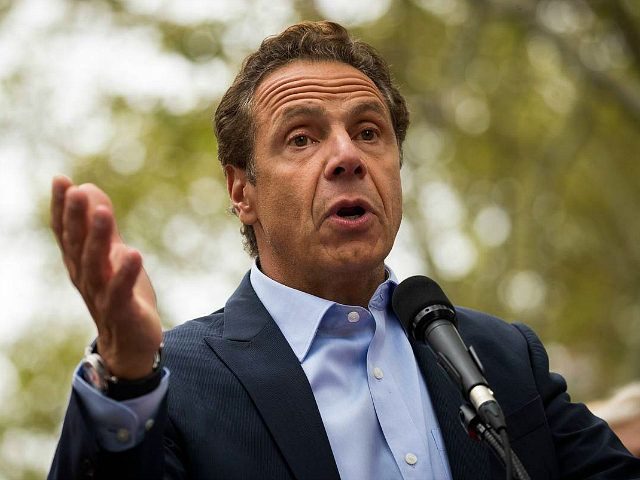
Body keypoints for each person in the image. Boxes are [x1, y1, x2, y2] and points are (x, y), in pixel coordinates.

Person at [48, 21, 640, 480]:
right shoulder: (174, 382)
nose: (347, 156)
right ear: (241, 190)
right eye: (302, 138)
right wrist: (126, 379)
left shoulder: (505, 358)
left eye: (368, 132)